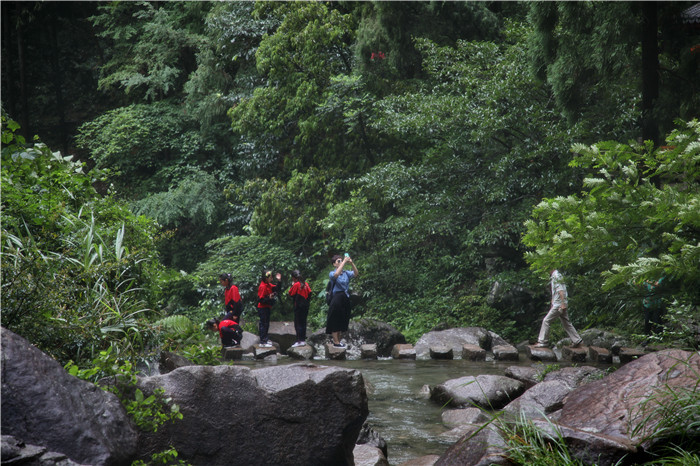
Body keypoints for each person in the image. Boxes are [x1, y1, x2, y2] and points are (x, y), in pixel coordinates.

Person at [535, 269, 583, 348]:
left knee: (546, 321)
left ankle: (543, 342)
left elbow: (561, 291)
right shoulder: (557, 275)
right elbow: (557, 292)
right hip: (559, 303)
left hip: (559, 305)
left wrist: (563, 304)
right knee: (566, 322)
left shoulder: (556, 276)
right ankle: (577, 340)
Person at [325, 254, 359, 348]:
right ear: (334, 264)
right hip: (336, 298)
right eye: (338, 261)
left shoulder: (346, 273)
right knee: (335, 319)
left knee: (342, 320)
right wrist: (343, 262)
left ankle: (338, 341)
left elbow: (356, 273)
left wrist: (351, 263)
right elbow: (336, 275)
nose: (340, 262)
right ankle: (336, 342)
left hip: (345, 297)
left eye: (341, 260)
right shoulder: (332, 273)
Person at [257, 270, 282, 348]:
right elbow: (260, 300)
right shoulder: (263, 286)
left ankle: (265, 339)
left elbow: (276, 288)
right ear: (266, 278)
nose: (272, 278)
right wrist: (269, 297)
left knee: (266, 324)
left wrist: (279, 281)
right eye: (270, 277)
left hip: (266, 307)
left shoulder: (268, 285)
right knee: (263, 324)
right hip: (262, 308)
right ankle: (262, 341)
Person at [289, 270, 311, 348]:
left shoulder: (296, 284)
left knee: (298, 323)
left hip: (298, 306)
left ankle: (299, 341)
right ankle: (303, 340)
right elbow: (310, 293)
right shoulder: (306, 284)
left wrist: (293, 285)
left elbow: (291, 294)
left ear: (294, 278)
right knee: (303, 323)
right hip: (305, 306)